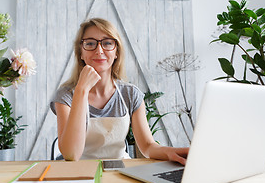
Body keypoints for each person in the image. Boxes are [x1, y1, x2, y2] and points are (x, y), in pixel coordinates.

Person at [51, 18, 188, 164]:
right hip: (81, 174)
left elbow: (147, 146)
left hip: (121, 171)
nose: (99, 50)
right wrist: (81, 91)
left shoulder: (130, 94)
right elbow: (71, 155)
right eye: (90, 43)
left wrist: (171, 152)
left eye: (107, 43)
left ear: (116, 52)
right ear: (81, 53)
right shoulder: (66, 96)